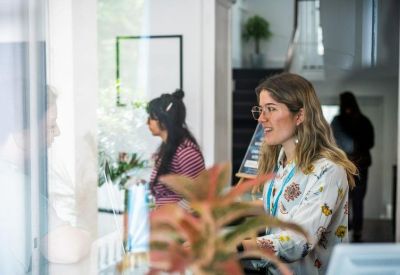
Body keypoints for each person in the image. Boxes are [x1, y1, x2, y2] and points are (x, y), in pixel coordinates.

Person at [241, 73, 357, 275]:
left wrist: (233, 246)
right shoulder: (281, 161)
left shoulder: (328, 170)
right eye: (260, 110)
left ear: (300, 116)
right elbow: (282, 206)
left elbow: (298, 241)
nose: (261, 118)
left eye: (271, 109)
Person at [147, 89, 205, 207]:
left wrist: (171, 215)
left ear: (164, 120)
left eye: (151, 118)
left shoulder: (186, 152)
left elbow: (197, 197)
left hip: (178, 223)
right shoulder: (167, 149)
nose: (147, 123)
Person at [331, 91, 374, 242]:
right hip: (351, 164)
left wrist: (353, 148)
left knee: (350, 199)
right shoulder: (361, 120)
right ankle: (353, 231)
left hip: (353, 164)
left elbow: (333, 141)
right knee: (353, 199)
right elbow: (370, 143)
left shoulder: (341, 121)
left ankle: (352, 230)